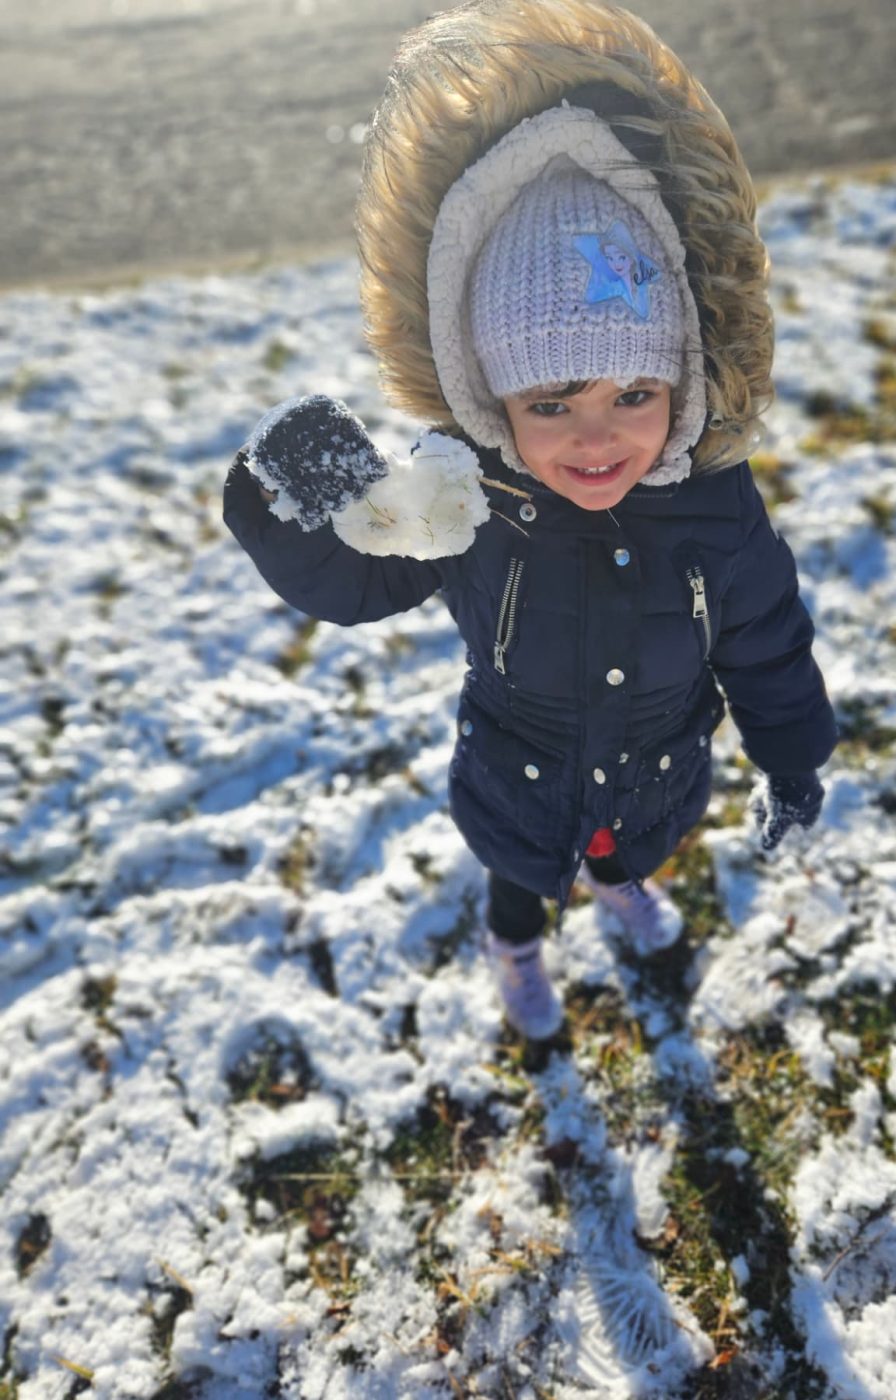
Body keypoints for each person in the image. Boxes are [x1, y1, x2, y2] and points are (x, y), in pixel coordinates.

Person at [223, 0, 837, 1040]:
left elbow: (768, 643)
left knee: (623, 852)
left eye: (630, 395)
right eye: (549, 403)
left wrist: (792, 757)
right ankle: (513, 940)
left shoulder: (718, 508)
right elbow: (360, 580)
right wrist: (284, 508)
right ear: (488, 395)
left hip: (655, 774)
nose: (594, 439)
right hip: (519, 780)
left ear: (681, 377)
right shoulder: (473, 500)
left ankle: (620, 887)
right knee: (518, 878)